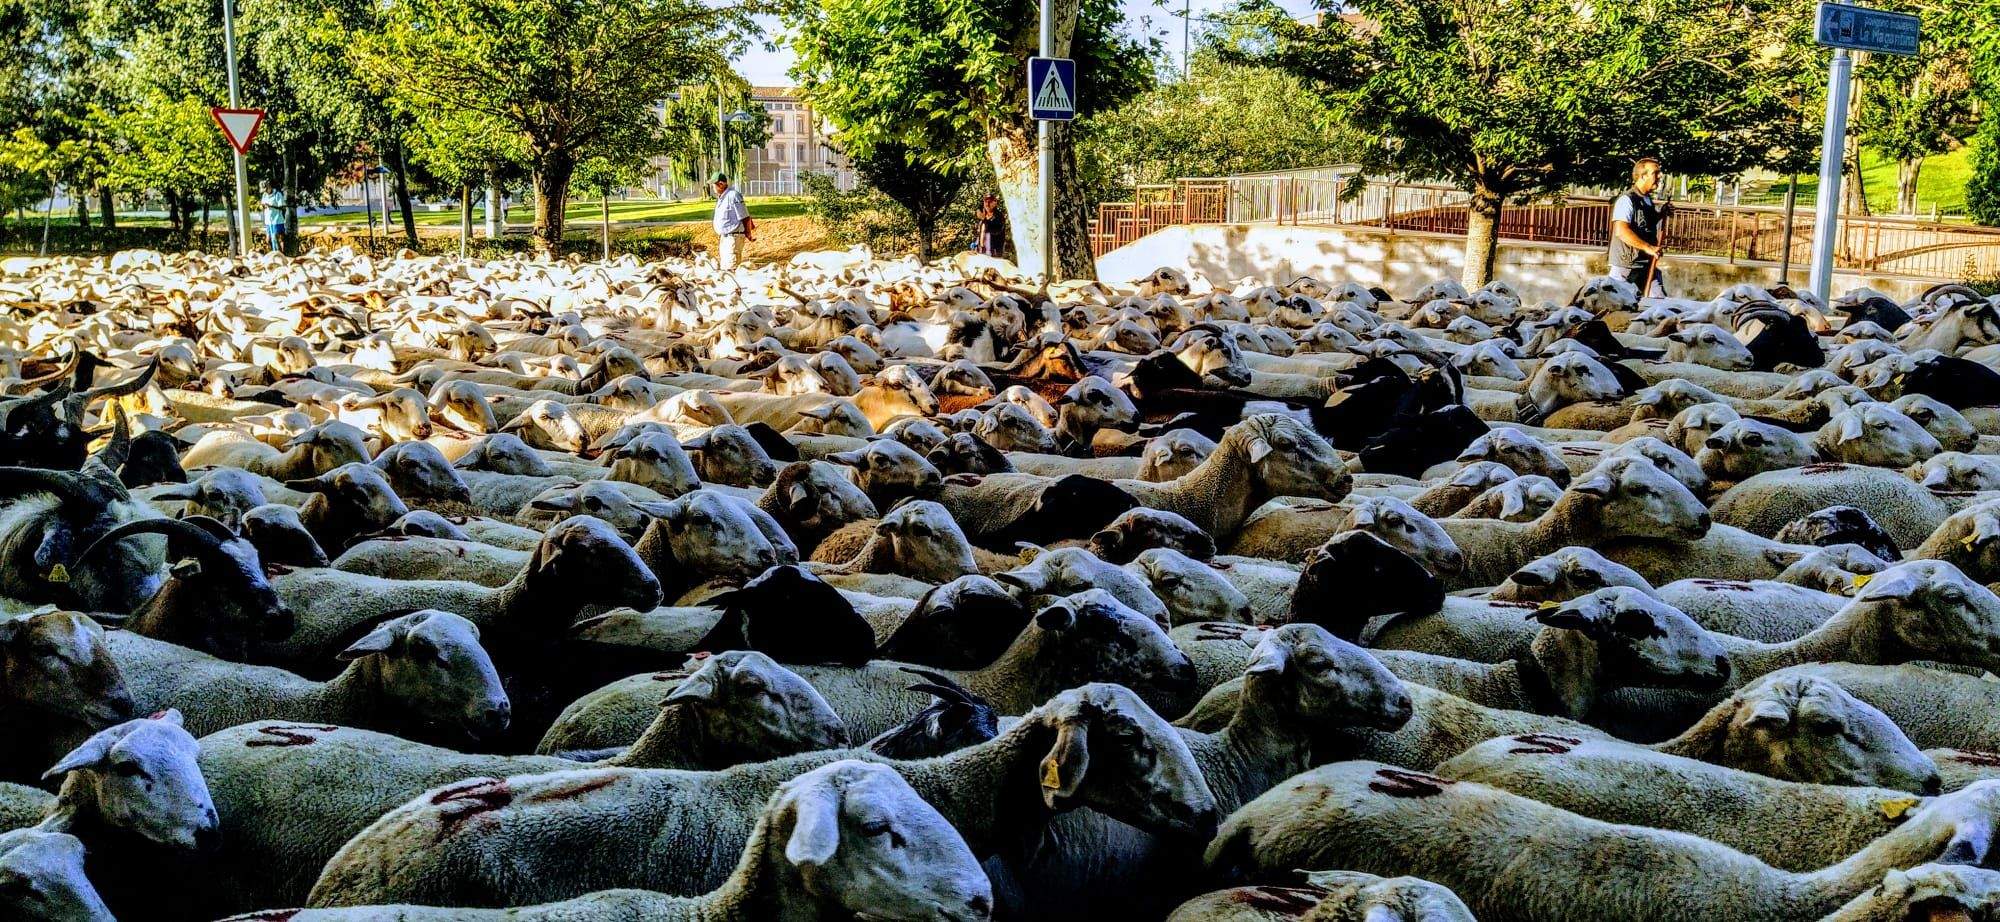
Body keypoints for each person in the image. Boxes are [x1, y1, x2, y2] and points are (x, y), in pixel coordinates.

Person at [1609, 157, 1674, 298]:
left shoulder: (1646, 199)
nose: (1659, 176)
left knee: (1659, 305)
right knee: (1619, 308)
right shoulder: (1626, 200)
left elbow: (1645, 224)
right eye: (1655, 173)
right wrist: (1648, 247)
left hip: (1646, 265)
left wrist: (1661, 214)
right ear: (1643, 176)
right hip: (1627, 268)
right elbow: (1621, 231)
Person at [712, 172, 752, 270]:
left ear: (721, 184)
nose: (712, 187)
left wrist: (748, 233)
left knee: (731, 267)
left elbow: (745, 216)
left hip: (733, 237)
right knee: (724, 267)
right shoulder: (722, 198)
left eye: (714, 185)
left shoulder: (733, 195)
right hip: (725, 238)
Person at [260, 183, 287, 254]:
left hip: (277, 220)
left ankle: (281, 254)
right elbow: (262, 204)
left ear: (269, 187)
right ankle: (273, 254)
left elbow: (282, 207)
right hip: (268, 221)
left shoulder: (277, 194)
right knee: (268, 240)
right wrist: (263, 206)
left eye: (266, 190)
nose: (265, 191)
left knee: (277, 238)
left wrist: (271, 206)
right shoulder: (264, 195)